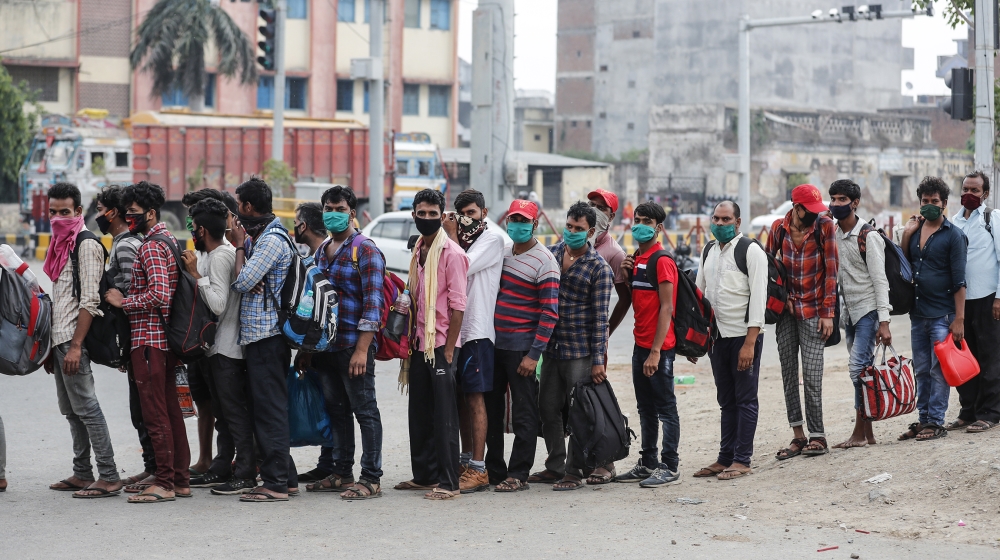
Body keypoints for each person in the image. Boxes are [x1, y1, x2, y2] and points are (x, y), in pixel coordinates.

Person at [105, 181, 192, 502]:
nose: (129, 219)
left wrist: (121, 301)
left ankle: (166, 483)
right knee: (169, 412)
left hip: (150, 341)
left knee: (155, 414)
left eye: (134, 214)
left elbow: (159, 294)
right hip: (162, 342)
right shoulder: (168, 238)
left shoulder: (152, 246)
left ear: (151, 213)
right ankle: (180, 480)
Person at [301, 186, 386, 500]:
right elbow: (314, 301)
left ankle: (371, 478)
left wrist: (362, 349)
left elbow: (374, 304)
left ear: (352, 212)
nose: (332, 214)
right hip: (326, 347)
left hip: (353, 346)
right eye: (327, 208)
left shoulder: (365, 249)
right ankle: (341, 472)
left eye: (338, 208)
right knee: (336, 410)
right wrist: (307, 350)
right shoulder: (322, 249)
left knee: (365, 411)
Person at [42, 183, 123, 499]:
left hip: (74, 341)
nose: (58, 217)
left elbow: (89, 301)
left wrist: (75, 346)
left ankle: (109, 475)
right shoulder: (60, 244)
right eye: (53, 212)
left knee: (87, 408)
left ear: (78, 212)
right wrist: (54, 347)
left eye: (65, 211)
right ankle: (82, 472)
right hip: (60, 340)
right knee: (71, 410)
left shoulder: (85, 245)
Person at [529, 202, 613, 491]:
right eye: (569, 226)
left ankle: (574, 471)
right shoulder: (551, 254)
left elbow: (601, 318)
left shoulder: (598, 267)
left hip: (580, 351)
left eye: (579, 229)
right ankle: (554, 465)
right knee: (547, 407)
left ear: (590, 232)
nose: (572, 232)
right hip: (550, 348)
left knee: (579, 412)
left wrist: (598, 359)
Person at [395, 188, 469, 501]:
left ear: (442, 216)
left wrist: (449, 350)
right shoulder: (419, 251)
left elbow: (458, 306)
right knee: (420, 412)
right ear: (414, 215)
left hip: (440, 345)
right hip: (419, 342)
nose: (426, 219)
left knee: (445, 416)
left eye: (432, 214)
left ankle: (450, 482)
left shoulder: (452, 253)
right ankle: (424, 475)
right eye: (421, 214)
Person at [182, 199, 257, 495]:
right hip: (218, 349)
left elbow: (218, 303)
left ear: (201, 230)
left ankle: (247, 472)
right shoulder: (217, 254)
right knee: (224, 416)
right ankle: (221, 466)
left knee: (234, 414)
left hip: (227, 349)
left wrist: (196, 277)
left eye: (193, 226)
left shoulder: (221, 257)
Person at [230, 177, 298, 502]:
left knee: (270, 410)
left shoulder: (270, 239)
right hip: (260, 337)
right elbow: (249, 280)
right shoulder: (266, 236)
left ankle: (275, 483)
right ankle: (289, 479)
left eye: (238, 205)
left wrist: (241, 247)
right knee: (268, 407)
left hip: (269, 337)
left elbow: (243, 281)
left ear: (246, 206)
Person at [486, 199, 558, 492]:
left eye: (523, 221)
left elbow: (550, 312)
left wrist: (534, 354)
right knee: (490, 410)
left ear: (534, 224)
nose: (517, 225)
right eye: (513, 220)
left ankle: (518, 473)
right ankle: (494, 470)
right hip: (495, 345)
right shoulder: (502, 254)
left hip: (522, 350)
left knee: (524, 413)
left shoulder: (545, 261)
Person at [691, 200, 766, 480]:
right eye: (716, 219)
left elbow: (758, 300)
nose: (719, 224)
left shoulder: (751, 251)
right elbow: (700, 296)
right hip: (716, 339)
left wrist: (749, 343)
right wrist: (697, 340)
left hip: (743, 337)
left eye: (725, 220)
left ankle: (742, 460)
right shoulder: (708, 250)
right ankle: (725, 458)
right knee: (726, 400)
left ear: (737, 222)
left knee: (745, 399)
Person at [766, 184, 838, 459]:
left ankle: (818, 435)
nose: (815, 214)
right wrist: (778, 300)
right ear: (796, 208)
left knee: (812, 375)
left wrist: (828, 313)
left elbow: (832, 272)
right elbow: (768, 266)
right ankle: (798, 435)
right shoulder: (777, 229)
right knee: (788, 373)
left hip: (815, 311)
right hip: (785, 312)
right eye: (810, 210)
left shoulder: (825, 227)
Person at [612, 202, 681, 487]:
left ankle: (670, 465)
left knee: (666, 408)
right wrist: (626, 277)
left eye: (646, 221)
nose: (639, 225)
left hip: (659, 348)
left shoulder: (662, 261)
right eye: (636, 220)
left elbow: (667, 308)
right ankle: (648, 462)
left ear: (659, 227)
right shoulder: (638, 259)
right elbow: (636, 301)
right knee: (645, 408)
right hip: (641, 345)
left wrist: (655, 352)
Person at [442, 189, 505, 494]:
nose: (467, 219)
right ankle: (466, 461)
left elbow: (460, 265)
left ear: (484, 211)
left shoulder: (491, 239)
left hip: (478, 332)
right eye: (462, 214)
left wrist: (451, 233)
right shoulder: (463, 239)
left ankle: (479, 468)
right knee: (462, 399)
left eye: (472, 213)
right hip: (457, 331)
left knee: (475, 398)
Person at [898, 177, 968, 442]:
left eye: (934, 202)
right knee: (922, 369)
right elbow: (903, 265)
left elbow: (960, 281)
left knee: (939, 371)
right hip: (918, 314)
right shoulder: (914, 230)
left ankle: (936, 422)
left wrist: (959, 318)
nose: (929, 205)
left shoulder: (954, 236)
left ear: (944, 204)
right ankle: (924, 417)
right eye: (925, 201)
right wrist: (906, 234)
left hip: (942, 314)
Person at [95, 185, 153, 492]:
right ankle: (151, 467)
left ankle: (156, 468)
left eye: (100, 208)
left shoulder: (127, 244)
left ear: (113, 212)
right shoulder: (120, 242)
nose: (97, 215)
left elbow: (135, 290)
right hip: (132, 337)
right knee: (139, 408)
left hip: (140, 336)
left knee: (144, 408)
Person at [827, 180, 892, 449]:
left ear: (854, 203)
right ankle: (868, 433)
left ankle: (859, 433)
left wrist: (884, 322)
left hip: (867, 312)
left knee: (857, 371)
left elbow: (880, 281)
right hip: (849, 315)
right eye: (833, 199)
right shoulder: (833, 234)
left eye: (842, 199)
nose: (836, 204)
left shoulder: (869, 236)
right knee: (863, 371)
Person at [290, 202, 342, 485]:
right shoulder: (318, 253)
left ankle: (336, 466)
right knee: (327, 403)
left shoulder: (321, 257)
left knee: (336, 406)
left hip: (333, 342)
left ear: (304, 226)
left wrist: (306, 349)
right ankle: (327, 463)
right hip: (321, 343)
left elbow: (319, 309)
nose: (294, 227)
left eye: (297, 221)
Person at [946, 171, 1000, 433]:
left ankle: (990, 412)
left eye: (975, 190)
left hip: (988, 299)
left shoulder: (992, 218)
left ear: (985, 194)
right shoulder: (953, 223)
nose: (969, 194)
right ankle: (968, 410)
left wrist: (999, 297)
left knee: (991, 356)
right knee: (965, 355)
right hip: (961, 303)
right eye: (966, 189)